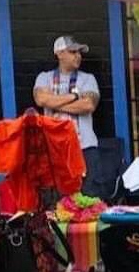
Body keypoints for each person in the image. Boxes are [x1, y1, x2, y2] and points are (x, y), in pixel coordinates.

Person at [33, 36, 101, 195]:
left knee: (87, 196)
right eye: (73, 52)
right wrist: (75, 96)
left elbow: (88, 105)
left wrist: (54, 102)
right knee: (57, 198)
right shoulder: (44, 77)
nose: (78, 56)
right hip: (54, 148)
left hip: (84, 147)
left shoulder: (88, 78)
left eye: (79, 52)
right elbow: (41, 100)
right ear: (59, 53)